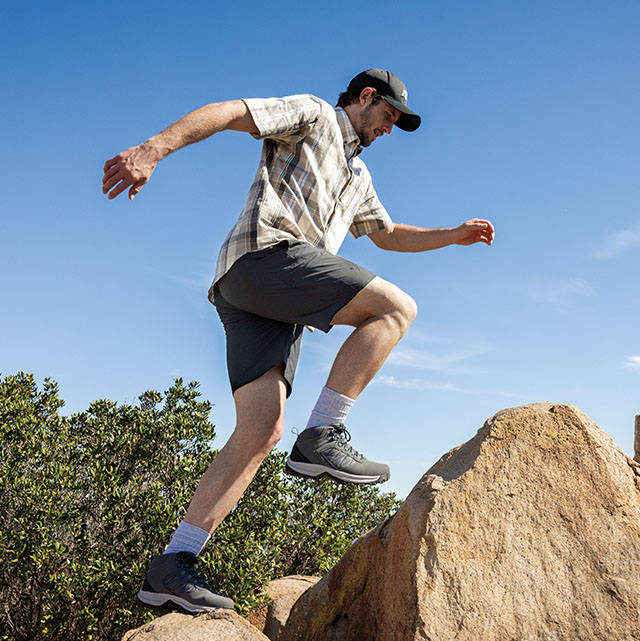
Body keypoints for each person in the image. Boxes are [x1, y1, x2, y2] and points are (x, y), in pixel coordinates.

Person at [102, 68, 495, 613]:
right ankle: (324, 434)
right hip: (265, 258)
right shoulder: (313, 114)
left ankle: (172, 565)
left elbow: (387, 234)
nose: (389, 129)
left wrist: (452, 235)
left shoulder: (358, 177)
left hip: (259, 300)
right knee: (397, 309)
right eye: (387, 116)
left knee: (260, 431)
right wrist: (153, 149)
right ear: (365, 98)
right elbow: (232, 112)